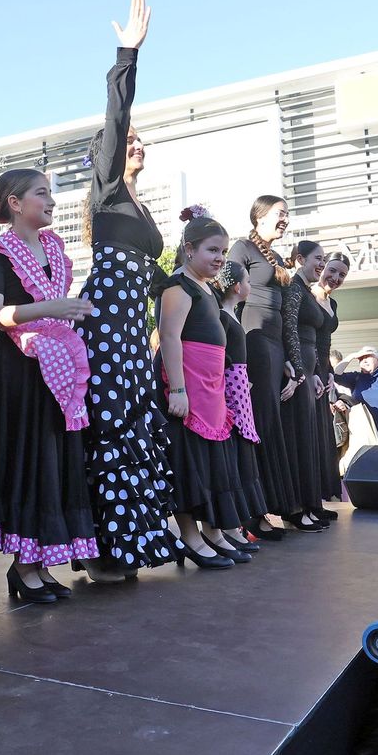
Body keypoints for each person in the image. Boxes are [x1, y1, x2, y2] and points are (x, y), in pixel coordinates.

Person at [76, 0, 177, 578]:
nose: (136, 145)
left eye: (142, 142)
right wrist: (127, 55)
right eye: (129, 141)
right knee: (112, 424)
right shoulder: (109, 191)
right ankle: (103, 549)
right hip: (108, 322)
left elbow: (157, 274)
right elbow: (115, 118)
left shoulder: (139, 207)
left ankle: (130, 545)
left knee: (137, 422)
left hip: (134, 329)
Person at [0, 169, 99, 602]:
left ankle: (39, 563)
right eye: (42, 193)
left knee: (52, 458)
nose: (51, 201)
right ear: (14, 202)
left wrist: (63, 311)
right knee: (26, 457)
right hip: (20, 365)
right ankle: (23, 565)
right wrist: (51, 307)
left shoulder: (55, 247)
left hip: (57, 364)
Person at [157, 208, 251, 569]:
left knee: (211, 463)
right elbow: (169, 336)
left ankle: (214, 532)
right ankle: (190, 536)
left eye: (223, 251)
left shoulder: (206, 288)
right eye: (212, 250)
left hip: (208, 388)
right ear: (189, 249)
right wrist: (178, 390)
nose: (220, 258)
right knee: (188, 462)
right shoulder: (177, 286)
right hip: (186, 386)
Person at [228, 195, 299, 539]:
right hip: (252, 339)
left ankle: (267, 506)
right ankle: (252, 515)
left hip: (273, 344)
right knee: (256, 422)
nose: (285, 219)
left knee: (270, 424)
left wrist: (286, 357)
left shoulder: (278, 257)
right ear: (260, 216)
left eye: (287, 214)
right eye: (279, 213)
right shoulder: (242, 247)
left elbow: (284, 312)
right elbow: (225, 289)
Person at [213, 261, 268, 549]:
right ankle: (234, 524)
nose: (249, 285)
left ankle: (243, 521)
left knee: (243, 453)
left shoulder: (232, 314)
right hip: (230, 391)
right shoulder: (222, 317)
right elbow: (220, 354)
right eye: (247, 281)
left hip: (240, 387)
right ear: (236, 286)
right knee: (235, 453)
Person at [281, 240, 331, 532]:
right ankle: (296, 509)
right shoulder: (293, 288)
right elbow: (289, 327)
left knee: (308, 439)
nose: (322, 264)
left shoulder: (307, 291)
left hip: (308, 371)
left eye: (324, 259)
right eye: (318, 258)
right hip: (299, 373)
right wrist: (300, 372)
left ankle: (311, 504)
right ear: (300, 259)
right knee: (298, 439)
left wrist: (313, 373)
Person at [311, 252, 350, 512]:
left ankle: (327, 495)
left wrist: (329, 371)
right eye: (332, 270)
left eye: (342, 275)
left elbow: (325, 343)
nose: (335, 278)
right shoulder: (306, 293)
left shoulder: (332, 303)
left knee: (325, 435)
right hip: (306, 369)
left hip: (324, 372)